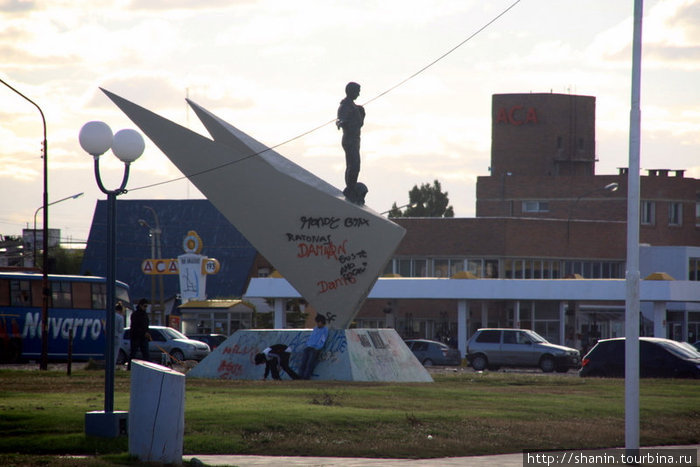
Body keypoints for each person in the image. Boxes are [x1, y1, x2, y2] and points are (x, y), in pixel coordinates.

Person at [336, 82, 365, 204]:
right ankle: (350, 188)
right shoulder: (345, 106)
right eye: (357, 91)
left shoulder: (354, 106)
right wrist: (341, 123)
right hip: (349, 140)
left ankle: (351, 187)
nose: (359, 94)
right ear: (351, 91)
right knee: (353, 165)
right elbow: (340, 119)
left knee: (355, 165)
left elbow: (359, 123)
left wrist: (361, 113)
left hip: (355, 139)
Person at [298, 314, 328, 380]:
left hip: (315, 348)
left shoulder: (325, 330)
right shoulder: (315, 329)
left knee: (309, 363)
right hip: (309, 346)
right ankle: (300, 376)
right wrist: (307, 344)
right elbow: (311, 337)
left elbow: (323, 339)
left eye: (318, 322)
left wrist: (318, 347)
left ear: (322, 322)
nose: (317, 324)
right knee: (303, 362)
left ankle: (306, 377)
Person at [128, 298, 150, 369]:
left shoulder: (145, 315)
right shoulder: (135, 314)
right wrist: (143, 333)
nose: (145, 308)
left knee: (146, 354)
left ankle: (148, 368)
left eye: (146, 306)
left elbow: (146, 326)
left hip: (144, 338)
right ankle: (130, 368)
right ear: (140, 305)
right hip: (135, 337)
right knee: (133, 354)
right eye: (144, 306)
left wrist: (147, 333)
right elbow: (135, 327)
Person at [114, 301, 126, 368]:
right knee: (115, 354)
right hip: (117, 336)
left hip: (109, 337)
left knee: (109, 353)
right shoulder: (120, 318)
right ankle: (113, 367)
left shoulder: (110, 316)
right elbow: (121, 329)